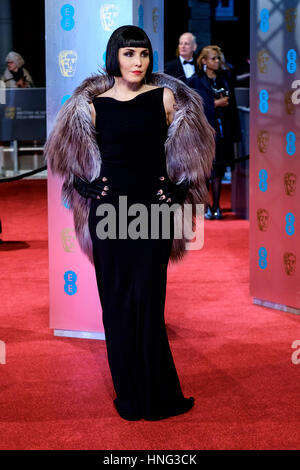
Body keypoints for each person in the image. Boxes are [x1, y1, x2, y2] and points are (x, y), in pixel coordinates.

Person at [44, 25, 215, 421]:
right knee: (117, 305)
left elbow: (193, 153)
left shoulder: (166, 98)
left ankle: (158, 395)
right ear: (114, 57)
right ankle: (131, 396)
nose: (138, 62)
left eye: (143, 54)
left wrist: (175, 191)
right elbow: (68, 160)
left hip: (151, 217)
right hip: (109, 217)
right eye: (129, 54)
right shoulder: (93, 105)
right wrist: (87, 189)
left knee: (149, 303)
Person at [188, 45, 240, 219]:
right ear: (204, 61)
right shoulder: (196, 80)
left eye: (218, 58)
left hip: (222, 131)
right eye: (213, 58)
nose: (217, 62)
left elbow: (232, 108)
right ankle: (205, 207)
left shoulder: (225, 78)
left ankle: (217, 206)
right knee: (205, 173)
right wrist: (215, 104)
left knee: (218, 170)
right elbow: (193, 107)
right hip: (204, 134)